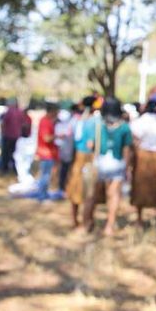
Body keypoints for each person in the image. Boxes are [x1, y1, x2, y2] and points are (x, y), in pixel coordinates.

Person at [84, 98, 134, 236]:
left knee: (92, 195)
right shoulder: (124, 127)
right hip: (117, 163)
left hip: (100, 162)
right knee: (114, 195)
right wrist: (127, 167)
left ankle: (87, 222)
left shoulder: (98, 125)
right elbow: (127, 149)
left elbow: (90, 145)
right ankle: (109, 226)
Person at [130, 99, 156, 228]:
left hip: (142, 155)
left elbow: (134, 138)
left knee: (140, 186)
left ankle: (139, 219)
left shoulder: (140, 121)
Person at [66, 96, 104, 229]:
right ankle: (87, 222)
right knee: (89, 192)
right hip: (88, 158)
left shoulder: (79, 120)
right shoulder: (95, 121)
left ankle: (74, 220)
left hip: (77, 157)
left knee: (75, 189)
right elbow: (91, 143)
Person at [32, 103, 59, 201]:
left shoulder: (47, 121)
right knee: (45, 176)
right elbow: (46, 138)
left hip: (48, 153)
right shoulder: (45, 122)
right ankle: (42, 196)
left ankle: (44, 194)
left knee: (46, 175)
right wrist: (58, 136)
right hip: (46, 153)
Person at [0, 98, 27, 174]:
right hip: (16, 136)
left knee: (6, 153)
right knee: (14, 153)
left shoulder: (9, 112)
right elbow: (24, 124)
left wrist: (3, 132)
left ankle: (5, 169)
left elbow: (3, 123)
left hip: (8, 135)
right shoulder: (20, 112)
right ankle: (15, 169)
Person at [55, 104, 78, 193]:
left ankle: (65, 186)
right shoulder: (70, 122)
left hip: (67, 149)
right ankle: (62, 186)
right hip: (66, 150)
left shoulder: (71, 121)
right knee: (64, 169)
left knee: (66, 169)